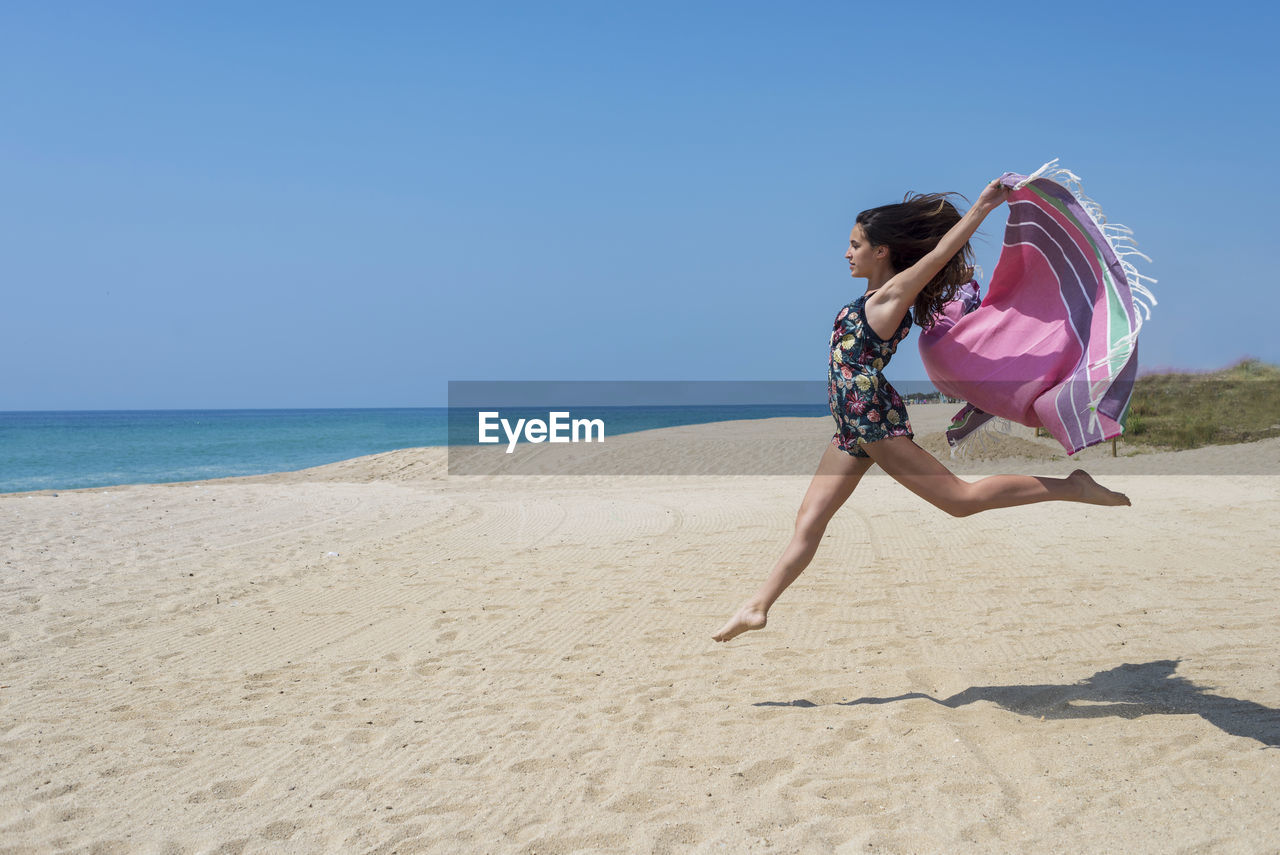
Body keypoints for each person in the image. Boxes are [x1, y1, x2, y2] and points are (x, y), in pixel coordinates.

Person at [712, 178, 1130, 643]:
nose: (847, 253)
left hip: (872, 420)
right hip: (851, 424)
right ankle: (757, 607)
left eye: (855, 245)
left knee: (959, 501)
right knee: (808, 521)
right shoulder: (871, 299)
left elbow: (935, 260)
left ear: (883, 252)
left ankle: (1072, 486)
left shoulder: (892, 297)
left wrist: (983, 208)